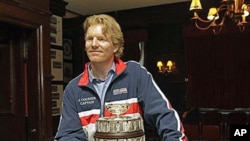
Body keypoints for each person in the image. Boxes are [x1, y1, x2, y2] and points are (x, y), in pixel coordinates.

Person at [55, 14, 187, 141]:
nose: (94, 44)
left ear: (115, 46)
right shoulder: (74, 88)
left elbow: (165, 116)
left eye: (101, 39)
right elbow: (68, 135)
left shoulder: (135, 74)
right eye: (90, 39)